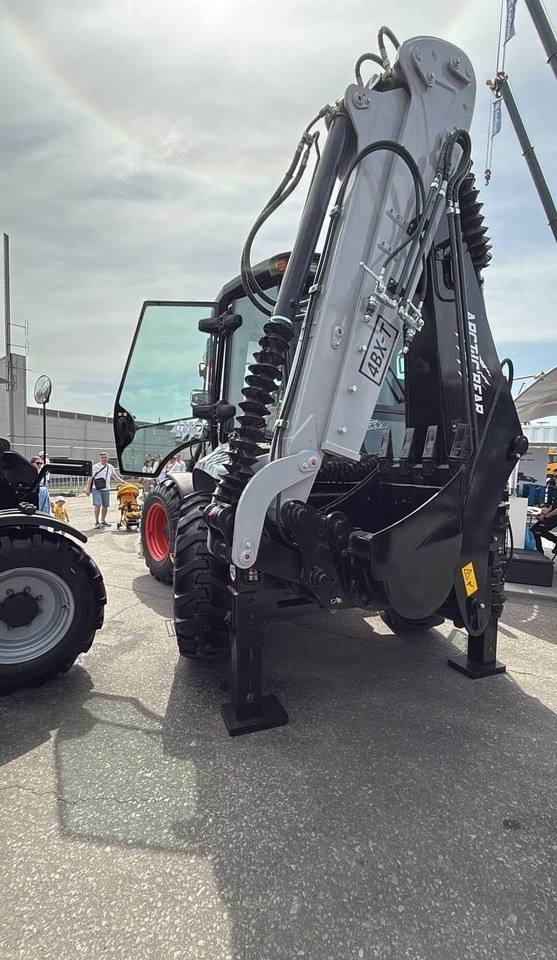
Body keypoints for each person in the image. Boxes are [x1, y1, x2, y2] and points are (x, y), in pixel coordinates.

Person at [85, 452, 123, 529]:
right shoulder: (95, 467)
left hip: (106, 489)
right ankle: (97, 522)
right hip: (96, 489)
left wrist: (124, 483)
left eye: (105, 457)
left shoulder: (110, 467)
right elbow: (90, 478)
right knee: (98, 504)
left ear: (107, 458)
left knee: (105, 505)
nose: (104, 459)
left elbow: (115, 477)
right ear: (100, 458)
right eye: (102, 457)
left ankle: (103, 520)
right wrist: (88, 489)